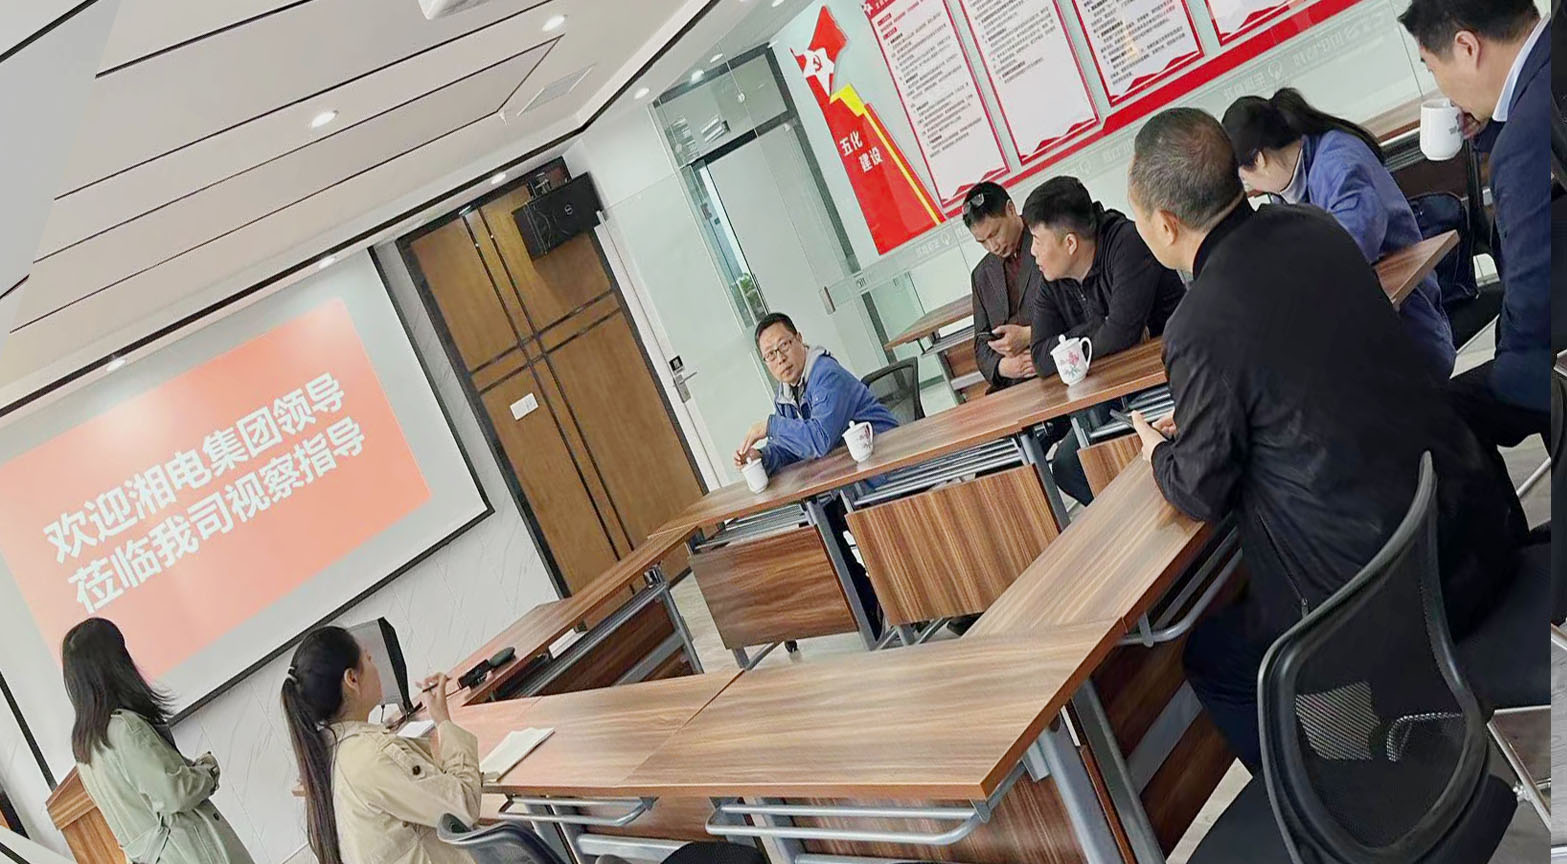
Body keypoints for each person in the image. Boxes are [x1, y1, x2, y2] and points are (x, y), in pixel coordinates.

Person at [1123, 108, 1525, 772]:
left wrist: (1158, 451)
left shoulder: (1198, 323)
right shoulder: (1311, 227)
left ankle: (1354, 801)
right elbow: (1297, 376)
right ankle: (1397, 743)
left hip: (1395, 594)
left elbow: (1200, 489)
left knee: (1215, 656)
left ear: (1165, 223)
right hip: (1470, 523)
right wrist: (1211, 419)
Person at [1222, 87, 1456, 379]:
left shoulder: (1337, 162)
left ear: (1259, 160)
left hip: (1410, 329)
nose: (1253, 190)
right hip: (1364, 327)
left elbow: (1349, 252)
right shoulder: (1289, 188)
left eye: (1245, 180)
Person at [1400, 0, 1550, 449]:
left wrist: (1507, 363)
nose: (1443, 90)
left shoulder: (1522, 144)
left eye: (1432, 68)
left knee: (1441, 418)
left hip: (1555, 342)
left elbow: (1534, 299)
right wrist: (1491, 130)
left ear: (1466, 47)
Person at [1021, 176, 1186, 505]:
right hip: (1109, 390)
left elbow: (1122, 332)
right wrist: (1100, 325)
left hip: (1168, 377)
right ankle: (1136, 520)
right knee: (1068, 465)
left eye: (1037, 240)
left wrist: (1091, 338)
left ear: (1070, 243)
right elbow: (1040, 356)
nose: (1032, 251)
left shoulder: (1127, 243)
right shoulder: (1051, 278)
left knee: (1090, 456)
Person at [734, 313, 898, 638]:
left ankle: (892, 604)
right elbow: (790, 448)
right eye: (771, 355)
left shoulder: (825, 374)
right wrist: (761, 457)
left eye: (784, 346)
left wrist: (769, 426)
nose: (780, 359)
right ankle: (871, 610)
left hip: (884, 469)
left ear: (799, 339)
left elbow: (819, 439)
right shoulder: (786, 393)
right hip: (849, 481)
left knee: (826, 520)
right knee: (814, 526)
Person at [64, 618, 255, 864]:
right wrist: (208, 772)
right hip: (189, 852)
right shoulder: (123, 729)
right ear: (114, 664)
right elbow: (175, 794)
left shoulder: (85, 744)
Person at [282, 626, 480, 864]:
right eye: (369, 659)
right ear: (352, 679)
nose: (375, 666)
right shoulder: (373, 755)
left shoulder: (325, 759)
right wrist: (444, 722)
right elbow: (465, 804)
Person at [961, 182, 1042, 390]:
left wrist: (1029, 335)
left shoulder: (1045, 238)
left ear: (1011, 209)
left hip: (1055, 362)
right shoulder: (981, 275)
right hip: (1013, 383)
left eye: (995, 233)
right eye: (982, 242)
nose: (993, 246)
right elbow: (980, 343)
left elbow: (1076, 307)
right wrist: (1003, 367)